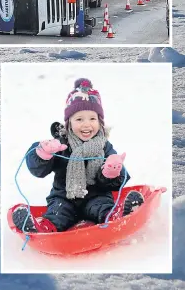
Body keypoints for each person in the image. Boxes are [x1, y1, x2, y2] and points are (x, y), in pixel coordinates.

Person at [12, 78, 145, 233]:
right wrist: (42, 154)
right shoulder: (59, 145)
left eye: (92, 119)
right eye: (79, 119)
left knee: (103, 207)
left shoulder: (104, 147)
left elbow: (117, 183)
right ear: (69, 123)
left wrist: (111, 172)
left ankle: (118, 216)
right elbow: (38, 171)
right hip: (64, 197)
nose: (86, 124)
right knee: (57, 213)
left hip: (96, 196)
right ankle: (41, 228)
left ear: (100, 122)